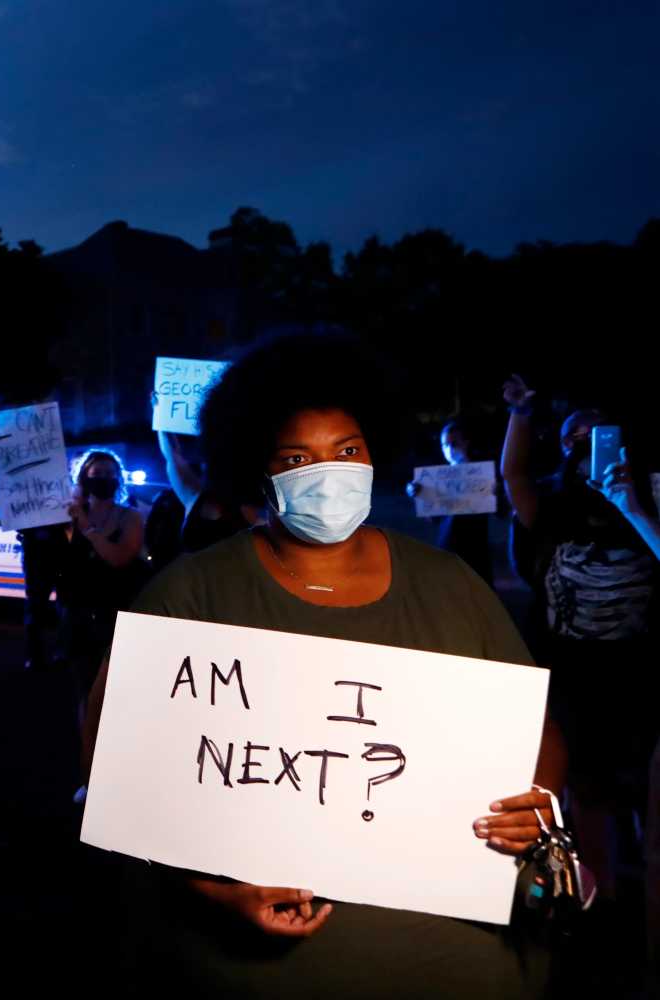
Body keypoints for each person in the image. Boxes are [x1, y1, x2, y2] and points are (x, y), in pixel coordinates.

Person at [84, 332, 565, 996]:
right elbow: (112, 767)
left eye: (346, 451)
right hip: (262, 972)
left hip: (455, 957)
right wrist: (215, 892)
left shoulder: (450, 584)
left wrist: (532, 803)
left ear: (375, 452)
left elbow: (536, 733)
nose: (327, 473)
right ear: (260, 471)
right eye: (297, 457)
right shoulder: (191, 593)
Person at [501, 374, 660, 904]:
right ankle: (598, 897)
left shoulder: (647, 498)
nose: (585, 445)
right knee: (586, 787)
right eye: (573, 437)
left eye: (598, 435)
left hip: (641, 674)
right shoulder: (552, 507)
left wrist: (631, 501)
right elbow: (514, 473)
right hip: (572, 675)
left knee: (640, 787)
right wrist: (522, 414)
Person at [60, 450, 146, 698]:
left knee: (116, 691)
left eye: (110, 473)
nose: (104, 478)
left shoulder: (130, 517)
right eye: (97, 473)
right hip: (78, 614)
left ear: (119, 479)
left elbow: (119, 558)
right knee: (84, 690)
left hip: (115, 613)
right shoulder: (69, 516)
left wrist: (88, 528)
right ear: (84, 478)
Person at [405, 417, 501, 585]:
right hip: (447, 548)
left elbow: (500, 510)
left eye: (454, 443)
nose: (449, 449)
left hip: (475, 550)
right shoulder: (437, 478)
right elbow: (432, 518)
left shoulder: (483, 474)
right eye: (445, 445)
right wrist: (418, 495)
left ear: (466, 442)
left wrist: (496, 493)